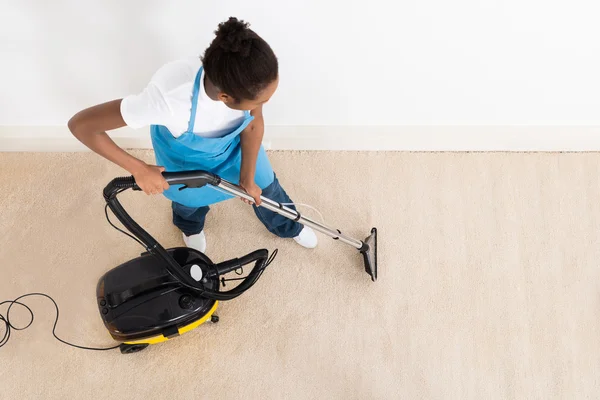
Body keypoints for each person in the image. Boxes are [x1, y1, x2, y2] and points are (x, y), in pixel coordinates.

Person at [68, 17, 317, 253]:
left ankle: (288, 225)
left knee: (268, 188)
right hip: (186, 160)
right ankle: (190, 227)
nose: (265, 103)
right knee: (189, 204)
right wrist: (139, 168)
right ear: (225, 98)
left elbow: (252, 125)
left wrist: (247, 178)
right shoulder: (168, 98)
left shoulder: (249, 78)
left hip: (235, 147)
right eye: (261, 100)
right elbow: (81, 126)